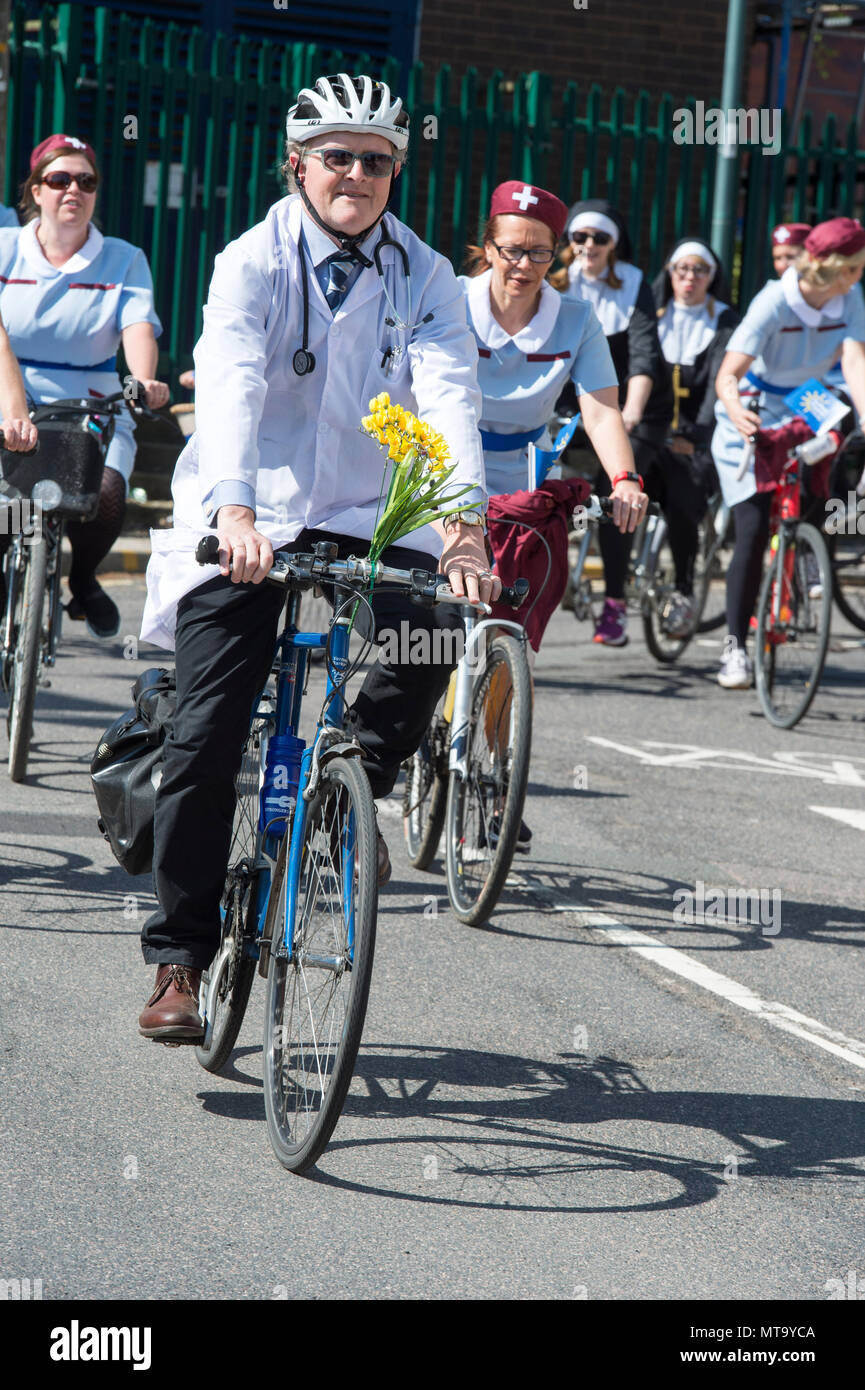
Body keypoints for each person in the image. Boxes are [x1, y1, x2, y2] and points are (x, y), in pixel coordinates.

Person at [137, 73, 497, 1042]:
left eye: (376, 160)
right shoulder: (249, 260)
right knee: (203, 737)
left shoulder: (423, 274)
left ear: (394, 174)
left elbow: (450, 394)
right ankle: (179, 954)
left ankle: (350, 794)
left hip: (368, 510)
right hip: (252, 509)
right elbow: (231, 381)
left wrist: (463, 527)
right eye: (337, 155)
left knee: (430, 627)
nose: (356, 173)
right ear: (297, 165)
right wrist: (237, 508)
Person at [0, 134, 168, 637]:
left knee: (107, 491)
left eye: (86, 181)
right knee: (7, 505)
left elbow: (137, 326)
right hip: (9, 387)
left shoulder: (123, 258)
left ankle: (84, 577)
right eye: (59, 179)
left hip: (89, 400)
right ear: (35, 189)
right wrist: (13, 405)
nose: (73, 189)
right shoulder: (5, 247)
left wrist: (143, 380)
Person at [711, 216, 865, 689]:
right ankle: (735, 646)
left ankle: (809, 544)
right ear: (837, 268)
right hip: (755, 401)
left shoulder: (850, 295)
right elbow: (728, 375)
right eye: (856, 265)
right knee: (754, 526)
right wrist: (736, 411)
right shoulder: (775, 301)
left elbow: (855, 359)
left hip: (808, 397)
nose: (861, 273)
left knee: (836, 450)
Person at [554, 198, 674, 644]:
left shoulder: (635, 284)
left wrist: (631, 413)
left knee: (617, 494)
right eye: (580, 236)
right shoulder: (557, 281)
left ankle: (616, 603)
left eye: (600, 238)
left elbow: (644, 355)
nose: (588, 245)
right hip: (571, 403)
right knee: (540, 478)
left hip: (632, 404)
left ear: (615, 245)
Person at [651, 239, 739, 626]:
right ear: (670, 273)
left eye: (699, 271)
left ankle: (684, 586)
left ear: (712, 277)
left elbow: (723, 381)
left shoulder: (724, 322)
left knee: (684, 500)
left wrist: (699, 436)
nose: (690, 278)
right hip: (652, 432)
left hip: (701, 436)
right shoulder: (652, 315)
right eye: (681, 269)